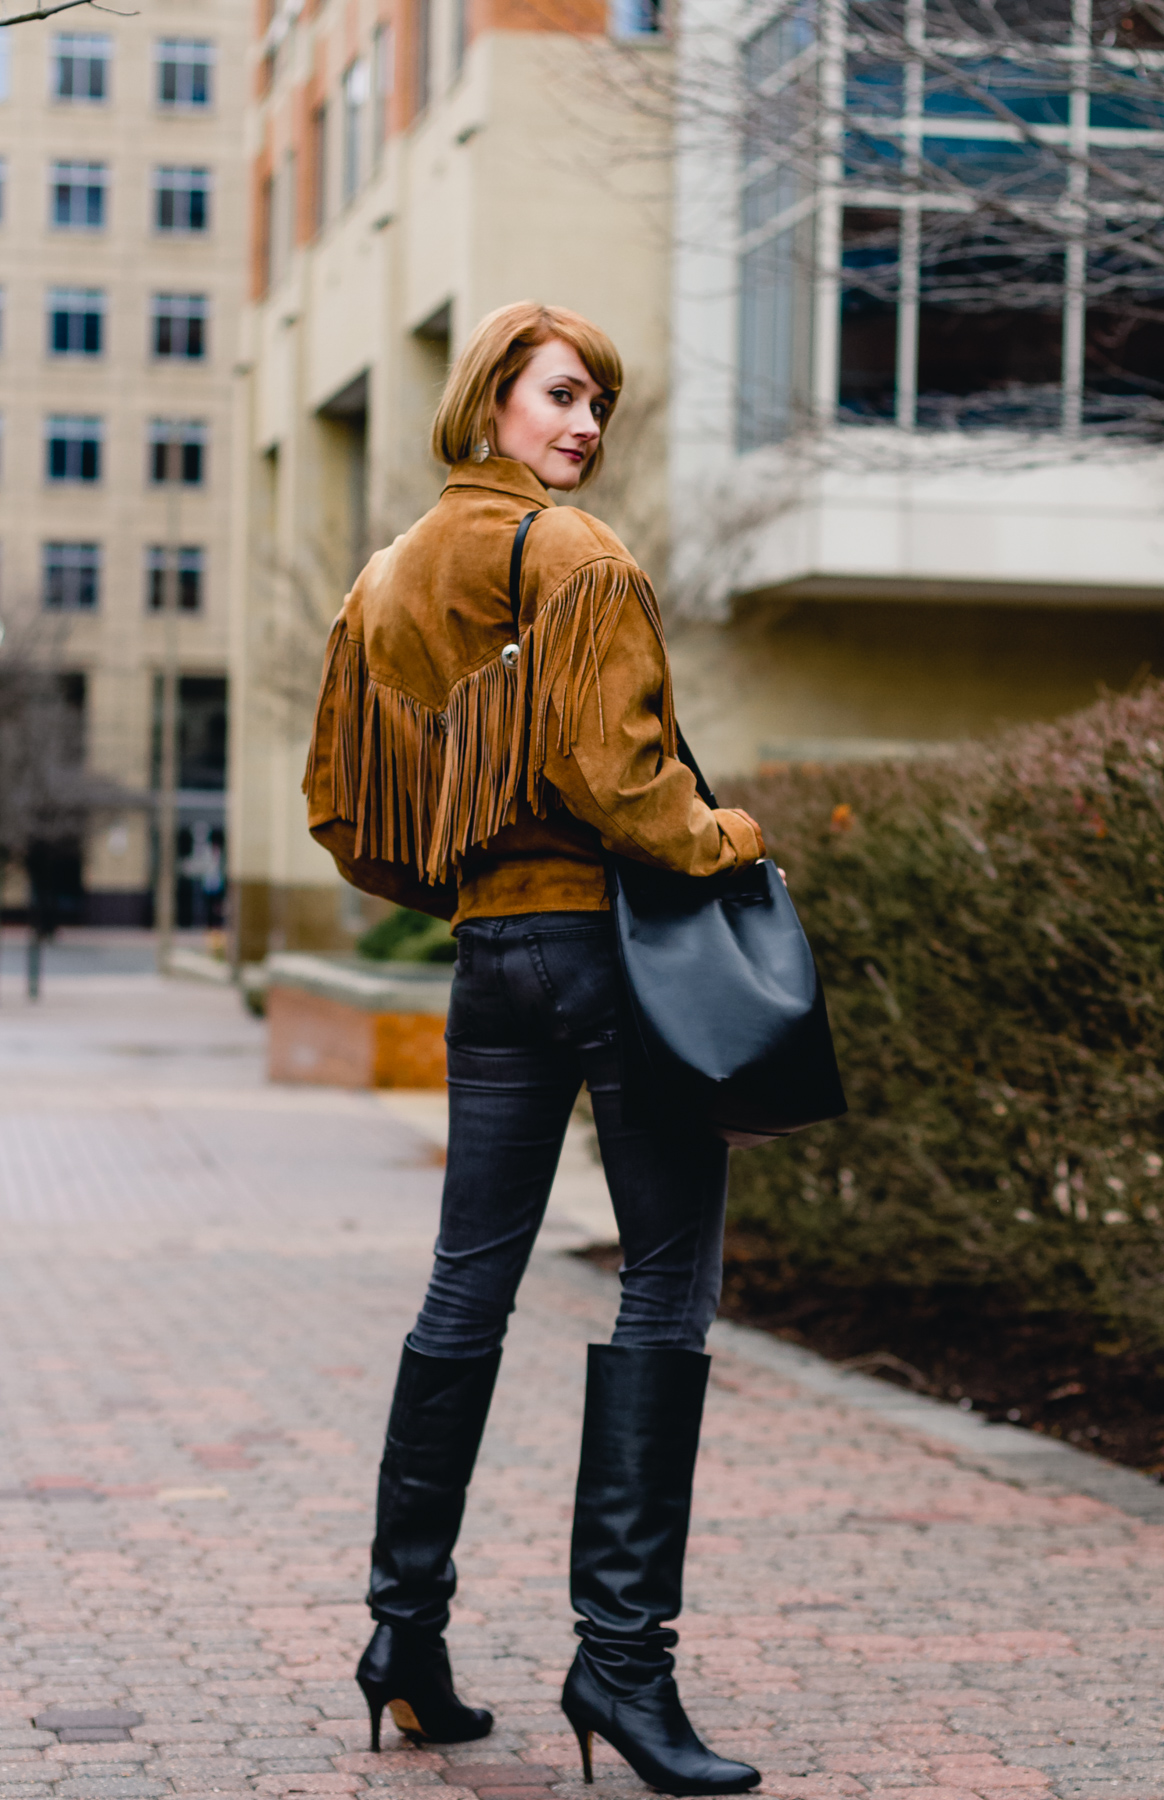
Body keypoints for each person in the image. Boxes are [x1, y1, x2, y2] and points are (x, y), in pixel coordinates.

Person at [303, 302, 766, 1797]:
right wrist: (729, 834)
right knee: (667, 1277)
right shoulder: (578, 557)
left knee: (466, 1283)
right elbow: (627, 786)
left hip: (490, 960)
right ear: (492, 395)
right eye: (561, 395)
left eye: (598, 407)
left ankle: (403, 1640)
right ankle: (622, 1669)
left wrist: (467, 887)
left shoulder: (382, 581)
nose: (584, 427)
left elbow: (345, 810)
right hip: (617, 954)